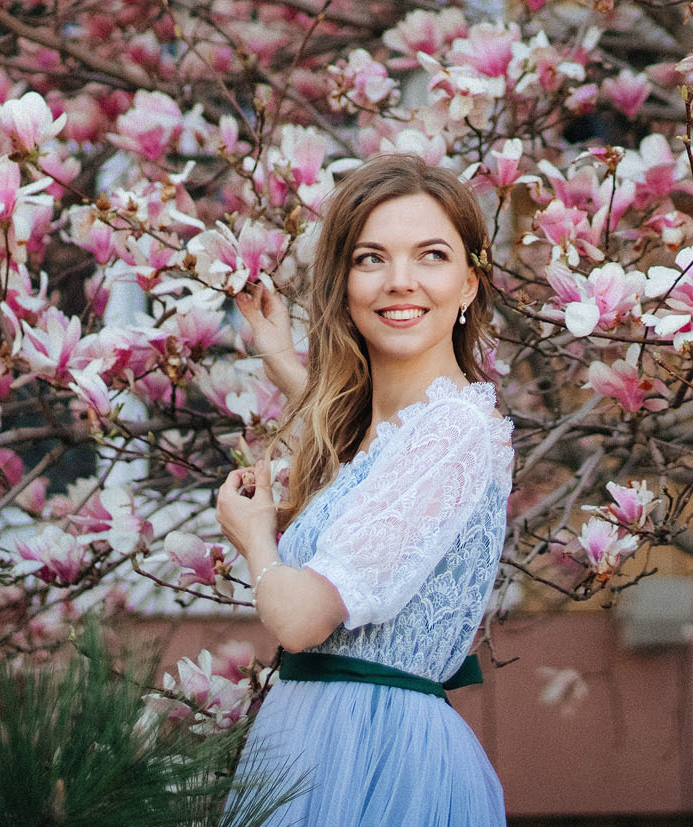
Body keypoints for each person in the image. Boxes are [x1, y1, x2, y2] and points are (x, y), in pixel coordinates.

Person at [214, 153, 512, 825]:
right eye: (371, 258)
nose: (399, 281)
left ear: (468, 283)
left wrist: (255, 535)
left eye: (430, 255)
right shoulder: (402, 430)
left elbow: (299, 617)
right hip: (322, 743)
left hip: (379, 756)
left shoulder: (455, 429)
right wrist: (282, 359)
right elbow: (365, 466)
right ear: (344, 283)